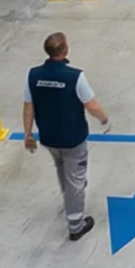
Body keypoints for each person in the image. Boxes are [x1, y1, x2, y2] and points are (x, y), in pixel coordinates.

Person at [23, 32, 112, 242]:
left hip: (48, 136)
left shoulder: (33, 75)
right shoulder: (75, 77)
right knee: (76, 179)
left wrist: (28, 134)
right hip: (72, 137)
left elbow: (28, 106)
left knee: (62, 169)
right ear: (65, 50)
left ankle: (68, 201)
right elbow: (91, 104)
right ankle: (76, 224)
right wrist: (104, 119)